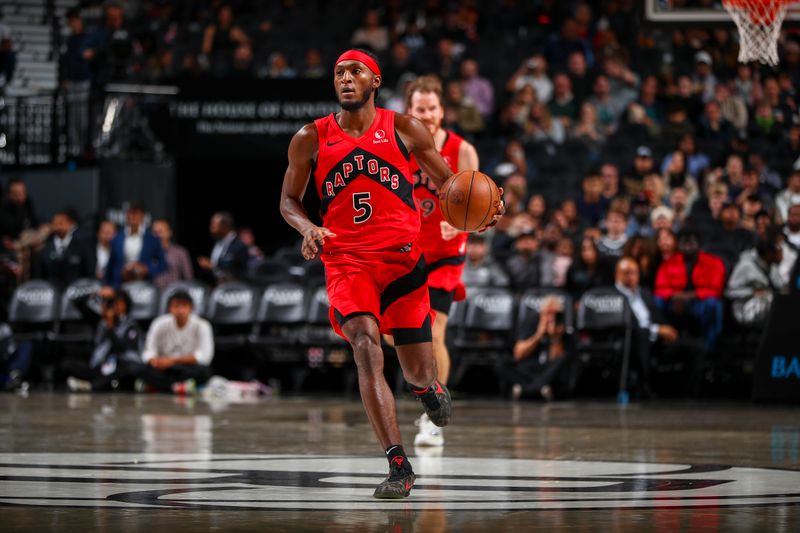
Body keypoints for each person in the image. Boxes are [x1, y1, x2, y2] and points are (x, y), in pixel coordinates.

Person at [279, 49, 502, 499]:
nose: (345, 78)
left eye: (355, 71)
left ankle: (427, 388)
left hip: (402, 261)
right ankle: (398, 463)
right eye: (339, 72)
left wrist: (481, 209)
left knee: (417, 369)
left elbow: (448, 185)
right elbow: (288, 200)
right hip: (347, 261)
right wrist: (307, 227)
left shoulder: (404, 128)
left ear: (375, 80)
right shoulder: (311, 137)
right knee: (364, 344)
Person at [403, 75, 480, 448]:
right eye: (421, 109)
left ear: (442, 111)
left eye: (433, 109)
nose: (428, 115)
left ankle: (432, 415)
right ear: (409, 111)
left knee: (434, 333)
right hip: (406, 253)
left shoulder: (462, 150)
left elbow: (486, 207)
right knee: (397, 336)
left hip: (447, 255)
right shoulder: (396, 148)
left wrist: (464, 224)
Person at [614, 257, 679, 399]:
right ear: (617, 274)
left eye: (634, 273)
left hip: (654, 338)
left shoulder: (644, 293)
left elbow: (657, 316)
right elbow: (628, 325)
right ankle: (644, 386)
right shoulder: (613, 296)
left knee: (695, 348)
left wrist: (666, 328)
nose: (631, 277)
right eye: (626, 273)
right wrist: (657, 330)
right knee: (642, 335)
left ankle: (685, 394)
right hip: (629, 340)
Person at [654, 229, 725, 351]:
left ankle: (709, 347)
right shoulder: (669, 262)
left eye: (691, 243)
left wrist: (689, 296)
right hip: (675, 303)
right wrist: (674, 297)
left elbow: (716, 290)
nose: (687, 247)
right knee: (657, 301)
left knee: (714, 304)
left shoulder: (714, 262)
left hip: (699, 303)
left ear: (699, 244)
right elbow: (660, 289)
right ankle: (665, 341)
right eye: (684, 243)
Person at [64, 287, 144, 392]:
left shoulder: (131, 326)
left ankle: (91, 386)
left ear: (126, 305)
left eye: (120, 303)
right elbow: (77, 303)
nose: (116, 306)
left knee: (129, 368)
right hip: (100, 367)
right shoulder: (101, 321)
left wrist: (110, 327)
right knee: (67, 363)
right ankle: (93, 383)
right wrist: (95, 293)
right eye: (113, 302)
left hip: (120, 366)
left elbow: (121, 350)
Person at [141, 291, 214, 393]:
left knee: (204, 371)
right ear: (169, 309)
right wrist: (154, 361)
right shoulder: (159, 323)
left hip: (187, 367)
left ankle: (165, 387)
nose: (180, 310)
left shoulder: (202, 326)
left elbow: (205, 357)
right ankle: (179, 387)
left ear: (191, 308)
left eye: (184, 306)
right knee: (141, 368)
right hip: (164, 368)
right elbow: (148, 351)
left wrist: (172, 360)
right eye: (176, 306)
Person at [510, 296, 574, 401]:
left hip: (549, 370)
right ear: (541, 313)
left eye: (555, 314)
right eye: (548, 313)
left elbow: (556, 360)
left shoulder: (563, 327)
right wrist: (538, 335)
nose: (551, 318)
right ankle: (540, 387)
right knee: (501, 363)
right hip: (530, 368)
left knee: (561, 363)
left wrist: (555, 339)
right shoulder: (531, 322)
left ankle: (527, 390)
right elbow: (518, 354)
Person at [106, 204, 166, 287]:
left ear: (142, 216)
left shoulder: (152, 239)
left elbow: (163, 264)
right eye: (131, 213)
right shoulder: (117, 238)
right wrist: (108, 284)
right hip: (121, 284)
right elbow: (111, 265)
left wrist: (146, 269)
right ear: (127, 216)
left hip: (145, 285)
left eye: (137, 214)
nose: (134, 217)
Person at [36, 210, 95, 289]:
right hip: (52, 293)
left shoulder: (81, 247)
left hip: (75, 292)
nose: (58, 227)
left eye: (61, 223)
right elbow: (40, 275)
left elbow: (88, 272)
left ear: (70, 224)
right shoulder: (46, 249)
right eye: (55, 224)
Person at [197, 212, 249, 284]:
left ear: (224, 226)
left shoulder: (239, 246)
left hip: (235, 290)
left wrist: (213, 267)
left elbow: (242, 273)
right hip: (218, 288)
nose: (211, 228)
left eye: (214, 225)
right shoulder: (217, 244)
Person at [151, 219, 193, 290]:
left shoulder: (180, 252)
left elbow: (188, 278)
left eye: (161, 232)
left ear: (169, 232)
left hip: (175, 295)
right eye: (155, 232)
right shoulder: (147, 253)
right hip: (152, 296)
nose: (157, 236)